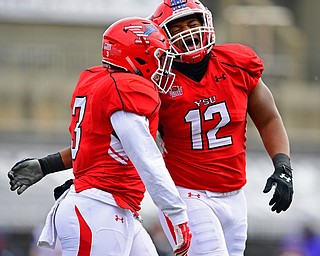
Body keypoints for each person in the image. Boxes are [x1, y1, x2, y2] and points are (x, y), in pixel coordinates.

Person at [8, 0, 294, 255]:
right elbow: (129, 147)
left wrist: (282, 165)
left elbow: (269, 118)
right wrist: (50, 165)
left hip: (233, 193)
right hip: (186, 193)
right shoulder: (150, 86)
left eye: (194, 24)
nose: (190, 34)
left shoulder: (235, 64)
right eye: (179, 28)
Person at [9, 17, 192, 256]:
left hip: (115, 208)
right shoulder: (126, 90)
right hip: (98, 208)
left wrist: (47, 165)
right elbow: (147, 158)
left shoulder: (102, 82)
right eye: (159, 58)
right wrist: (176, 213)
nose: (164, 67)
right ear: (137, 56)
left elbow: (96, 147)